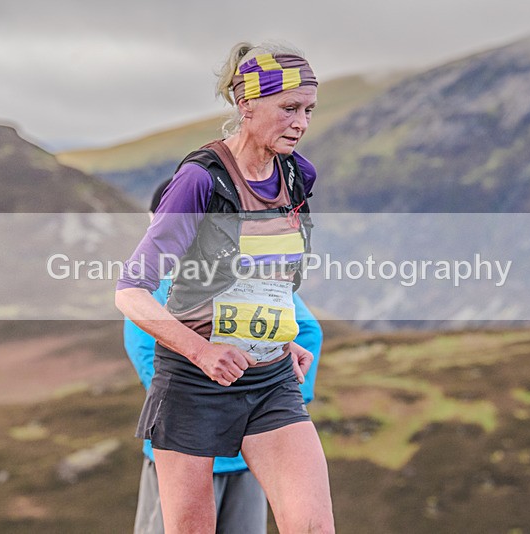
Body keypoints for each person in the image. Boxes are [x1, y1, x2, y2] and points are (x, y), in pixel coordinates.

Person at [116, 41, 334, 533]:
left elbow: (263, 278)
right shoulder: (200, 180)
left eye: (309, 111)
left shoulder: (299, 176)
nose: (301, 123)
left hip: (270, 380)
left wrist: (284, 337)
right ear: (247, 105)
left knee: (313, 527)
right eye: (289, 108)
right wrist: (200, 351)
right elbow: (130, 291)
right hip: (195, 384)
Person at [124, 181, 323, 534]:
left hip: (196, 449)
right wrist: (268, 406)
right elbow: (306, 329)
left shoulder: (162, 288)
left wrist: (273, 404)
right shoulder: (241, 274)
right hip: (244, 453)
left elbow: (149, 361)